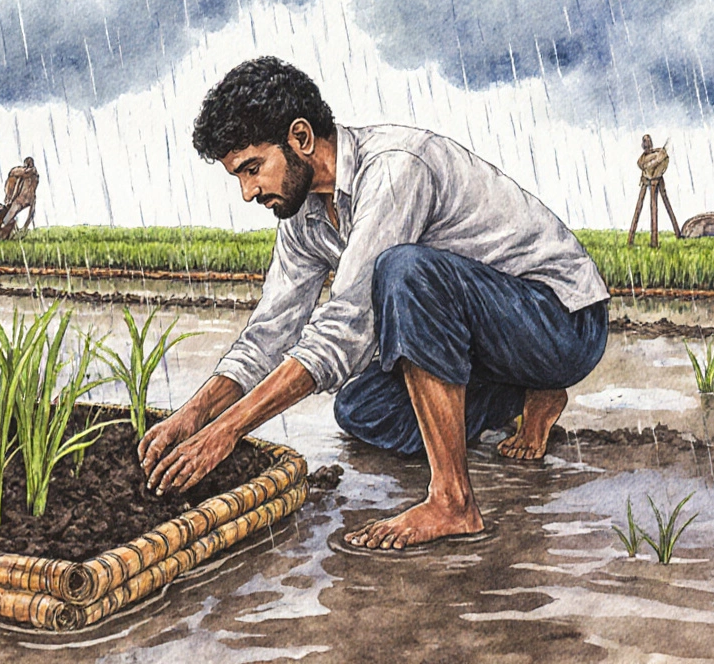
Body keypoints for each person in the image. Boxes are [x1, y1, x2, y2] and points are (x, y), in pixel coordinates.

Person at [138, 57, 610, 550]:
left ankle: (453, 501)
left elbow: (346, 327)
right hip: (491, 341)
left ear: (300, 138)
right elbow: (270, 334)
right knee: (363, 408)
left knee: (403, 270)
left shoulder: (394, 169)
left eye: (253, 169)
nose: (247, 192)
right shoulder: (302, 218)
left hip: (560, 322)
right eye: (238, 176)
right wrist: (194, 415)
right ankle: (528, 398)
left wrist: (228, 431)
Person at [627, 134, 681, 247]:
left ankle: (656, 241)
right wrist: (656, 161)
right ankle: (636, 240)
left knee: (658, 206)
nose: (647, 146)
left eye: (648, 143)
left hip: (655, 179)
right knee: (643, 207)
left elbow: (657, 161)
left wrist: (657, 161)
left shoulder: (657, 154)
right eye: (645, 144)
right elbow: (644, 165)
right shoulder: (643, 159)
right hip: (648, 178)